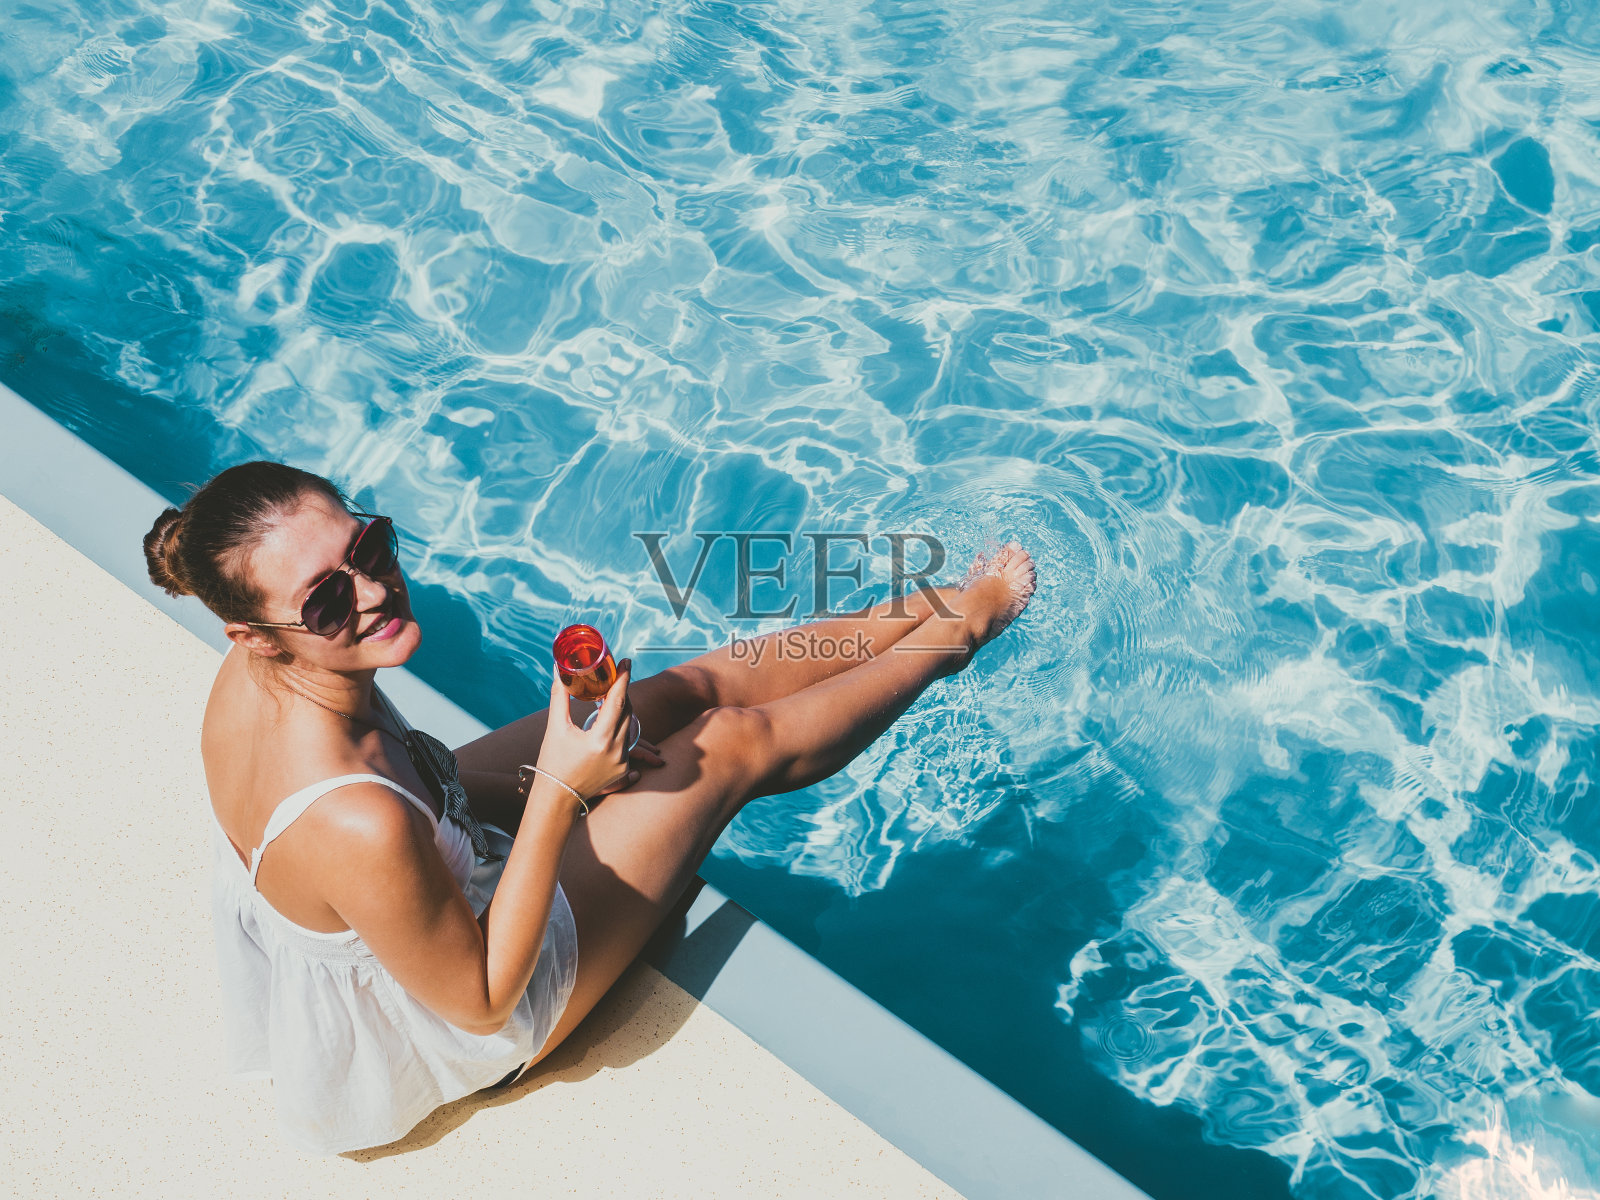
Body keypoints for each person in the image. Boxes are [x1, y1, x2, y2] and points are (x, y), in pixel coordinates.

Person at [142, 459, 1037, 1154]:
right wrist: (563, 791)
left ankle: (927, 606)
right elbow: (480, 1000)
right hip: (477, 999)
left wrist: (561, 782)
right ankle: (958, 634)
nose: (374, 591)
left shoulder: (265, 670)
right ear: (256, 634)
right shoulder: (351, 817)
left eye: (368, 549)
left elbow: (407, 789)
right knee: (727, 746)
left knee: (674, 692)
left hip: (420, 852)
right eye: (329, 599)